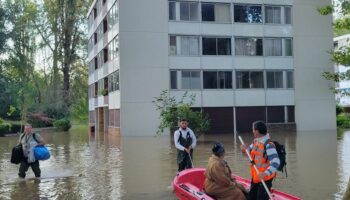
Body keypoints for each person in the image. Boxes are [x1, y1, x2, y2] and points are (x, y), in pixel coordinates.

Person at [240, 121, 280, 200]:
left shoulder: (269, 145)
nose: (252, 131)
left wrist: (265, 173)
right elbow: (248, 153)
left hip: (265, 179)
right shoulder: (256, 141)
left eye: (253, 129)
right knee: (251, 197)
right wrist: (244, 150)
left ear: (257, 131)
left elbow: (276, 162)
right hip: (255, 177)